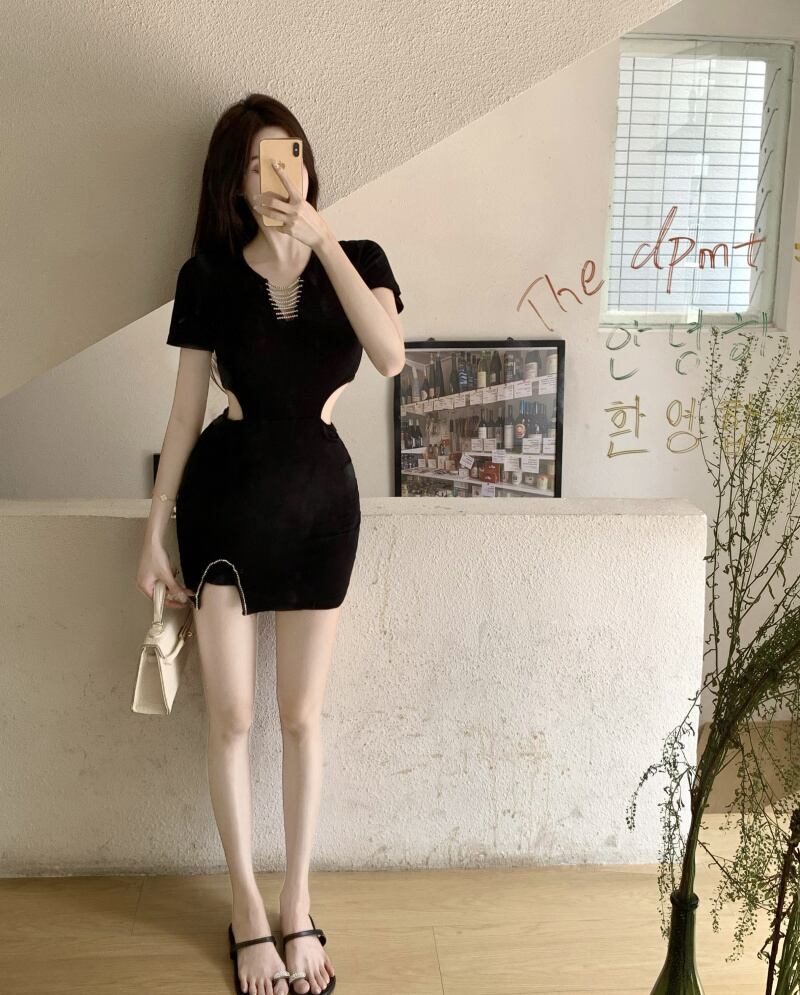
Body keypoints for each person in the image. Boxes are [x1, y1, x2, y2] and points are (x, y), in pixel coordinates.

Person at [136, 93, 405, 995]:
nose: (274, 175)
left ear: (307, 161)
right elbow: (183, 416)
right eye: (253, 163)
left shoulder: (361, 259)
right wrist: (152, 532)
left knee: (300, 717)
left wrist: (323, 240)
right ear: (233, 184)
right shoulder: (208, 276)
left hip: (323, 511)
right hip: (223, 508)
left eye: (286, 153)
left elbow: (391, 354)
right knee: (232, 718)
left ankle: (297, 900)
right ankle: (247, 906)